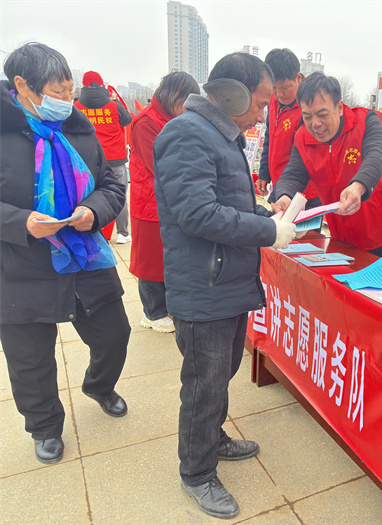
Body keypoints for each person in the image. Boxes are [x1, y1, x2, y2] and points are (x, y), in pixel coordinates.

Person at [153, 52, 295, 520]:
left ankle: (213, 438)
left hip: (227, 282)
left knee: (223, 372)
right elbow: (196, 214)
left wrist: (262, 215)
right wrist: (266, 233)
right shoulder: (186, 134)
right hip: (204, 288)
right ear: (232, 94)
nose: (263, 114)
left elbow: (226, 200)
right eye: (260, 103)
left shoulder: (220, 135)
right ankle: (196, 473)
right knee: (203, 385)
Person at [0, 43, 131, 465]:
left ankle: (99, 386)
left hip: (83, 255)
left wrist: (92, 211)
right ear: (23, 86)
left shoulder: (78, 127)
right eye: (58, 92)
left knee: (114, 333)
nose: (67, 101)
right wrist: (21, 221)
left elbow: (110, 183)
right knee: (30, 359)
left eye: (70, 91)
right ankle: (44, 427)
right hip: (20, 263)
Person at [273, 72, 382, 256]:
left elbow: (376, 154)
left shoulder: (365, 121)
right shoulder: (303, 137)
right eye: (307, 117)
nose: (315, 124)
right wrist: (284, 195)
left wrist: (358, 186)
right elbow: (293, 174)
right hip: (342, 238)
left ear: (340, 108)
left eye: (322, 114)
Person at [129, 71, 200, 334]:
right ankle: (152, 312)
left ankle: (166, 307)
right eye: (184, 101)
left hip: (169, 200)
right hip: (149, 201)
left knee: (166, 258)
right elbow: (158, 164)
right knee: (149, 261)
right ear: (172, 96)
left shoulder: (171, 118)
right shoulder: (146, 122)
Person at [257, 48, 320, 208]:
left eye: (284, 88)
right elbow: (269, 136)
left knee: (305, 233)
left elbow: (300, 158)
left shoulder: (309, 107)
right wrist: (264, 173)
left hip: (304, 191)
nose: (279, 94)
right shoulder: (273, 100)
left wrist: (276, 193)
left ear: (298, 78)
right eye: (274, 88)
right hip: (280, 183)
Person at [75, 70, 133, 244]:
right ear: (101, 85)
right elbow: (127, 120)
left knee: (92, 195)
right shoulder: (113, 105)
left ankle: (97, 231)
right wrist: (115, 100)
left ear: (84, 86)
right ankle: (122, 233)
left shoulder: (76, 107)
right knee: (119, 194)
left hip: (89, 160)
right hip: (115, 159)